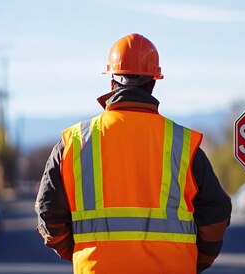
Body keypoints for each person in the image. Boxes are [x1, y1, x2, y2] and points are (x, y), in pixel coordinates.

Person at [35, 33, 231, 274]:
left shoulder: (74, 143)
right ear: (153, 82)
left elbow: (48, 212)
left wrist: (78, 251)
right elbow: (216, 213)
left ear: (111, 81)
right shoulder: (183, 144)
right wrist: (196, 260)